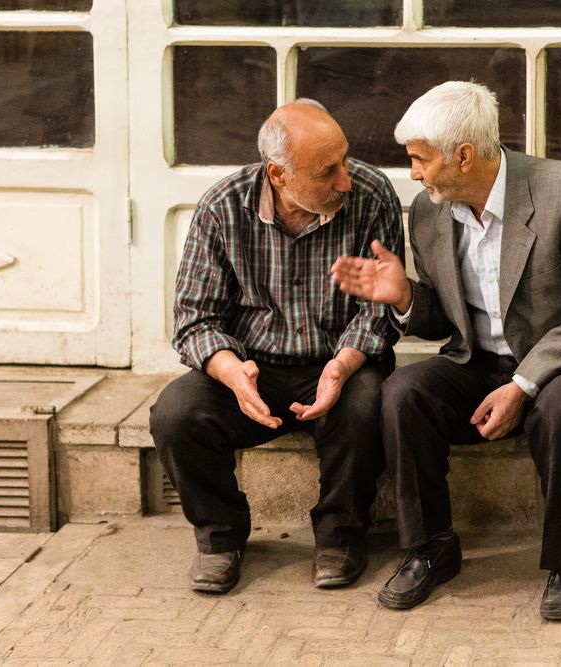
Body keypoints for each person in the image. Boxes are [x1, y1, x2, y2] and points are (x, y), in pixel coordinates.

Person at [332, 81, 561, 620]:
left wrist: (523, 384)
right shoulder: (429, 211)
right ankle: (430, 549)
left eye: (421, 159)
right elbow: (445, 318)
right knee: (402, 393)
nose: (415, 173)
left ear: (463, 156)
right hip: (478, 363)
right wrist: (403, 296)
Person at [150, 99, 404, 594]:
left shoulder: (371, 195)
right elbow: (193, 318)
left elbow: (380, 311)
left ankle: (341, 536)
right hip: (252, 365)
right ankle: (220, 537)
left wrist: (342, 366)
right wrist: (230, 372)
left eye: (345, 160)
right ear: (278, 175)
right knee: (175, 415)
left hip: (339, 360)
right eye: (327, 171)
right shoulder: (223, 206)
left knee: (368, 405)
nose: (345, 180)